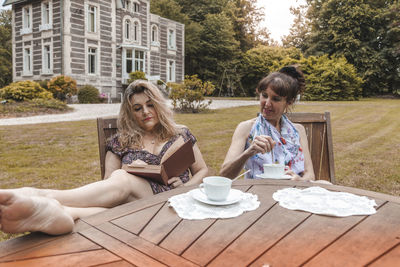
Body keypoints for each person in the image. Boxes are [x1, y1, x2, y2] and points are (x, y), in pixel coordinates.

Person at [0, 80, 208, 235]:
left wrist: (186, 187)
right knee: (120, 178)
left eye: (150, 104)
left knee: (122, 179)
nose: (145, 112)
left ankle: (42, 196)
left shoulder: (180, 133)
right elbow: (109, 187)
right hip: (135, 208)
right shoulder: (120, 142)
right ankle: (61, 213)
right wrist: (133, 170)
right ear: (130, 113)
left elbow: (203, 171)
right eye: (137, 108)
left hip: (173, 203)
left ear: (158, 105)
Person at [219, 66, 315, 181]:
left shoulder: (298, 131)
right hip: (258, 192)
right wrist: (248, 152)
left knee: (325, 184)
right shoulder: (247, 128)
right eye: (264, 95)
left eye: (276, 99)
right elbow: (223, 175)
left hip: (293, 193)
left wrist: (299, 181)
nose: (267, 103)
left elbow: (310, 175)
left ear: (289, 102)